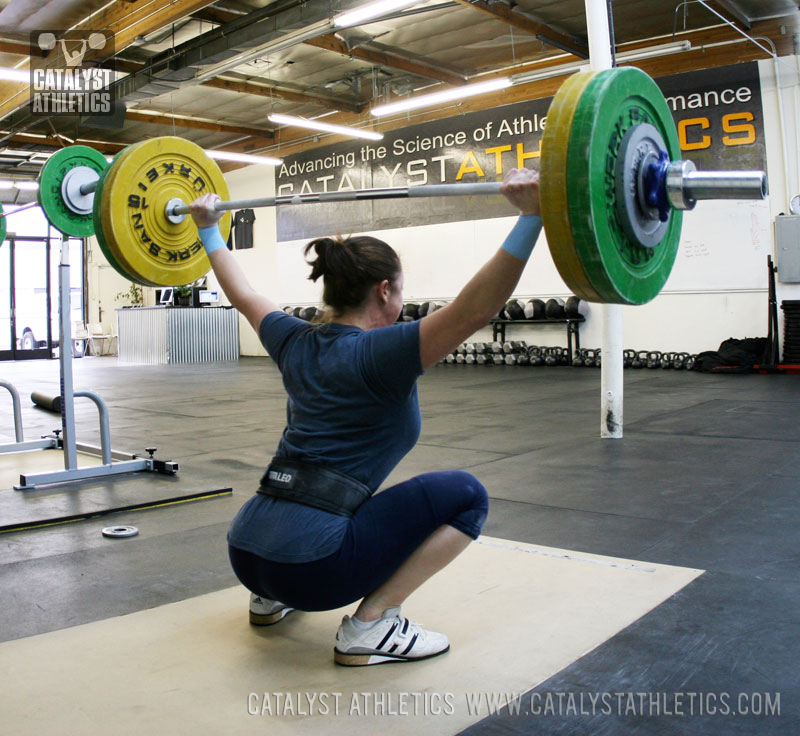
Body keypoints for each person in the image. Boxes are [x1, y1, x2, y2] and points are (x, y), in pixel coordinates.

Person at [189, 167, 541, 667]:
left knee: (339, 497)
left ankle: (269, 600)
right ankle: (372, 626)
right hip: (312, 571)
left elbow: (242, 293)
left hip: (246, 554)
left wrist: (206, 226)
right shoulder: (382, 353)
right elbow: (472, 312)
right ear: (383, 291)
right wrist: (532, 216)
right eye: (400, 289)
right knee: (466, 496)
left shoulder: (292, 338)